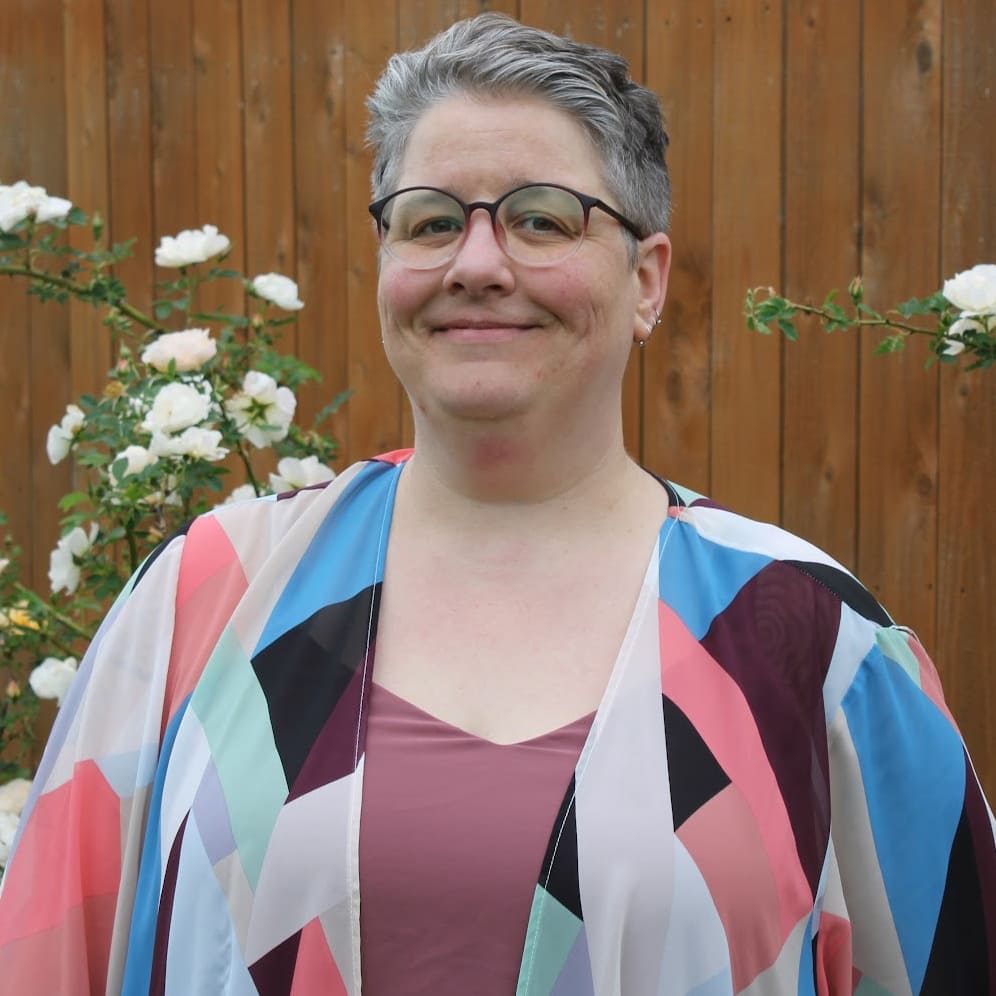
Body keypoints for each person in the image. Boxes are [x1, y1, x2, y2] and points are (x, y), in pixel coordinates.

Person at [0, 12, 993, 995]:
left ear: (647, 280)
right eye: (432, 221)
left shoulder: (806, 639)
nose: (476, 264)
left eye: (540, 218)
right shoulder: (208, 599)